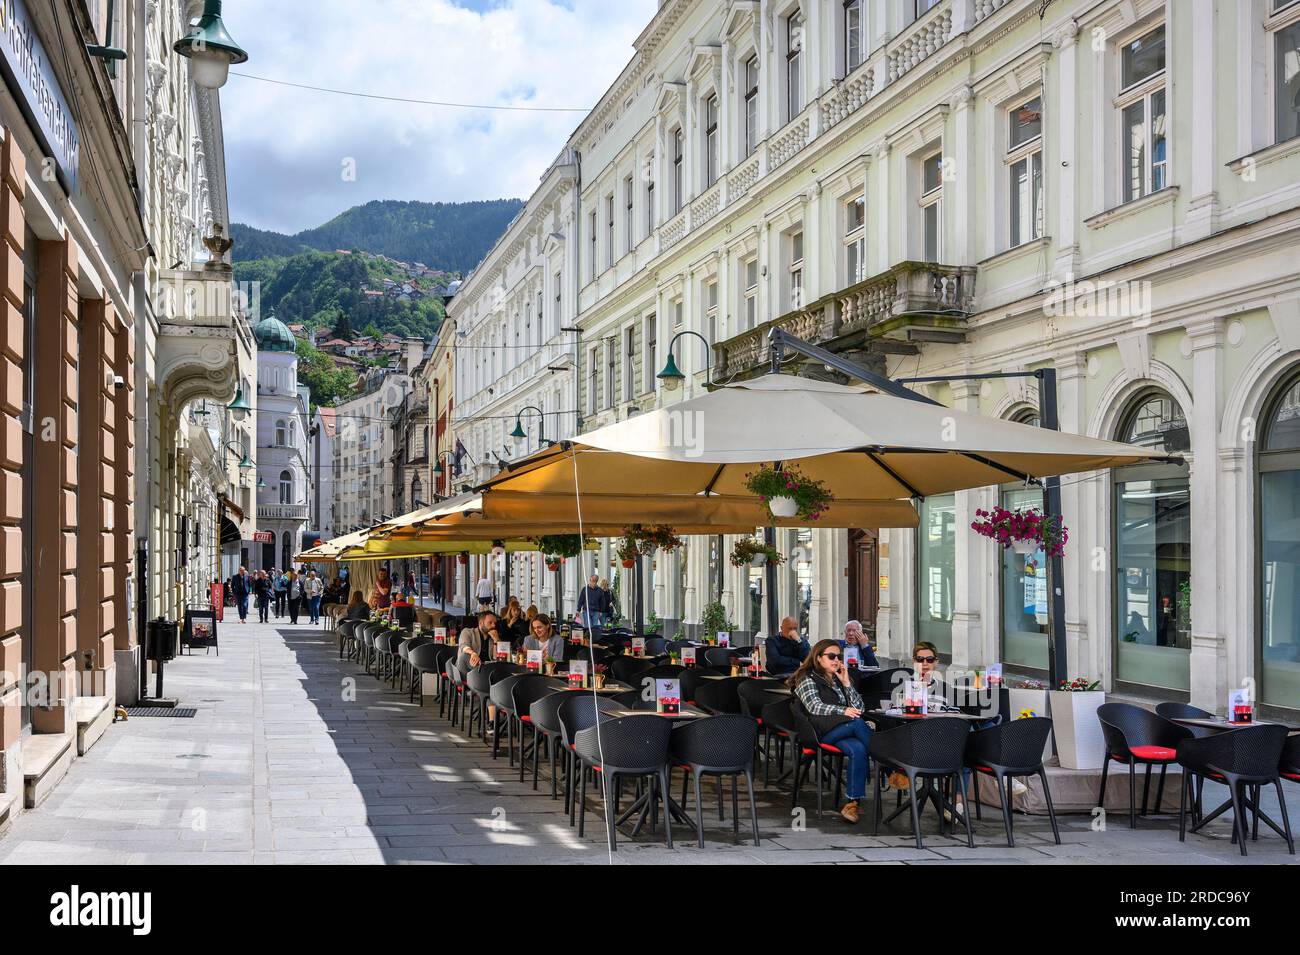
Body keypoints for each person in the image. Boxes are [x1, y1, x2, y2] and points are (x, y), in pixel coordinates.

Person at [789, 638, 872, 823]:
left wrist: (847, 684)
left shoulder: (837, 679)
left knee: (858, 748)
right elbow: (814, 707)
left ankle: (852, 804)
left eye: (838, 656)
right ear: (818, 658)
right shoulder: (806, 678)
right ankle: (889, 768)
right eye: (831, 656)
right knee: (858, 723)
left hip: (840, 729)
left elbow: (860, 708)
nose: (836, 660)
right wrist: (843, 710)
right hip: (818, 732)